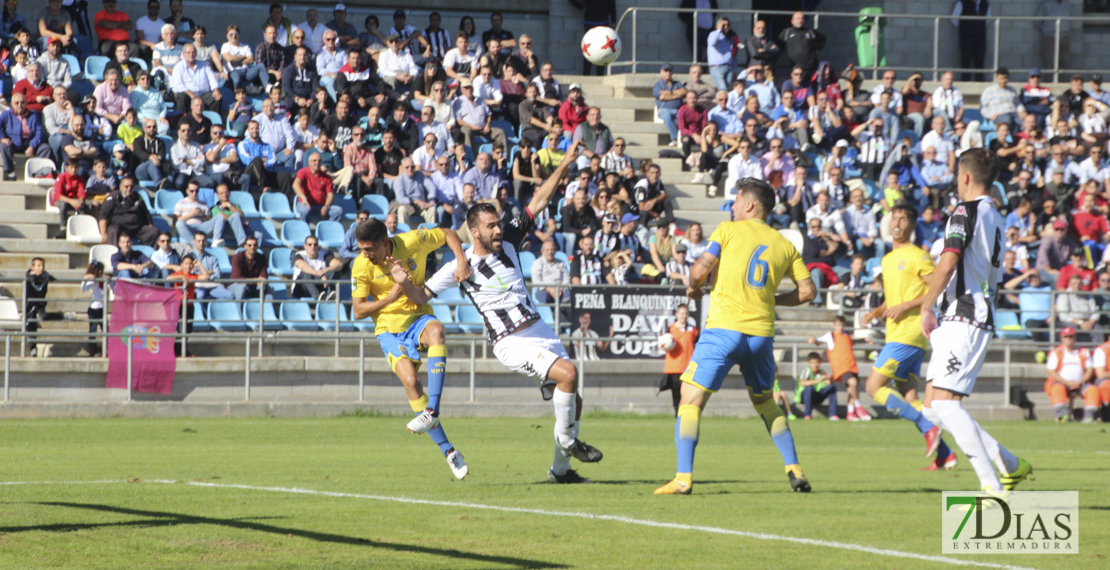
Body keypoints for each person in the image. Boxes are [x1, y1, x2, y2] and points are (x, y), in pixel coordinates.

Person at [394, 143, 603, 483]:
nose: (498, 229)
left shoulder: (509, 241)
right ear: (474, 231)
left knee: (573, 401)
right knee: (569, 373)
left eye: (498, 223)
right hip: (510, 341)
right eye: (490, 226)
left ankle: (560, 471)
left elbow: (537, 201)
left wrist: (565, 162)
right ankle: (568, 442)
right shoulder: (458, 267)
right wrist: (403, 283)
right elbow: (420, 295)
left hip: (540, 331)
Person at [655, 178, 816, 495]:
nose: (732, 207)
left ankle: (683, 478)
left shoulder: (727, 230)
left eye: (736, 201)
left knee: (690, 400)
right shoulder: (786, 245)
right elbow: (808, 291)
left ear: (750, 205)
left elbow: (700, 270)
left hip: (724, 330)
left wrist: (695, 286)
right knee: (767, 403)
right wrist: (772, 299)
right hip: (760, 336)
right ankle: (794, 469)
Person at [919, 148, 1033, 496]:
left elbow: (949, 261)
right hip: (971, 310)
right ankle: (1010, 464)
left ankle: (992, 487)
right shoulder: (996, 216)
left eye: (956, 175)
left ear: (965, 177)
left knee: (945, 404)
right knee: (932, 407)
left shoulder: (963, 211)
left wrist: (926, 306)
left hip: (965, 314)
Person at [350, 213, 471, 478]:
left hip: (418, 317)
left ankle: (432, 411)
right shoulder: (360, 266)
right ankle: (450, 452)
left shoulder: (413, 241)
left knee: (438, 330)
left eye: (369, 249)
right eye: (361, 249)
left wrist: (460, 261)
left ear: (385, 242)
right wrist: (392, 295)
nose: (365, 255)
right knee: (411, 381)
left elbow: (449, 233)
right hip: (389, 331)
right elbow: (358, 311)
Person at [809, 315, 872, 422]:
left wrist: (864, 340)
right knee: (853, 383)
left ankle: (850, 413)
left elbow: (853, 342)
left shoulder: (846, 336)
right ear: (834, 326)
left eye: (842, 325)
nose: (840, 327)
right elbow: (819, 340)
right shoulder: (831, 336)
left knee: (851, 390)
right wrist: (814, 340)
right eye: (838, 325)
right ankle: (859, 407)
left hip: (851, 365)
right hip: (841, 368)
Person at [1044, 327, 1099, 423]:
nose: (1068, 339)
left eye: (1071, 336)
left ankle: (1090, 417)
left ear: (1075, 338)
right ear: (1061, 338)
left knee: (1093, 390)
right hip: (1062, 382)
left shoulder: (1084, 352)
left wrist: (1081, 381)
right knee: (1057, 389)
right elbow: (1051, 371)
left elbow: (1090, 370)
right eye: (1066, 337)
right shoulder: (1056, 352)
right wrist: (1066, 382)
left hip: (1081, 383)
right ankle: (1063, 416)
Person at [659, 303, 699, 415]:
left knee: (688, 395)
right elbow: (664, 344)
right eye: (681, 313)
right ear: (677, 314)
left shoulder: (693, 330)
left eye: (686, 313)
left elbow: (698, 346)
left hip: (688, 368)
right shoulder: (670, 329)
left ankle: (687, 414)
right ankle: (678, 414)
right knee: (676, 394)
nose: (684, 316)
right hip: (674, 368)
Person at [0, 93, 50, 181]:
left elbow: (39, 133)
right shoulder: (6, 115)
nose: (20, 105)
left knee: (45, 148)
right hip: (14, 142)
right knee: (4, 146)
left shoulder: (33, 115)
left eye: (22, 103)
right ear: (12, 104)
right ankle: (9, 172)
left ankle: (39, 172)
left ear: (26, 104)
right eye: (17, 103)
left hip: (29, 142)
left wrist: (32, 146)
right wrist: (3, 138)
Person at [796, 352, 838, 420]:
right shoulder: (806, 371)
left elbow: (828, 383)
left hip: (817, 396)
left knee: (832, 387)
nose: (815, 365)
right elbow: (802, 383)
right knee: (809, 388)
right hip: (805, 397)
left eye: (817, 362)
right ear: (809, 363)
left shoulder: (822, 372)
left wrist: (830, 379)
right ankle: (807, 415)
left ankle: (833, 414)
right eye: (813, 363)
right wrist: (818, 380)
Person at [653, 64, 686, 147]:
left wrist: (669, 93)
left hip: (679, 109)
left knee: (683, 117)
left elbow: (684, 92)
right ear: (661, 72)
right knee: (667, 116)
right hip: (664, 109)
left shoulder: (677, 83)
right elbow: (662, 97)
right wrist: (677, 95)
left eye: (669, 71)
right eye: (665, 71)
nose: (668, 73)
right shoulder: (658, 85)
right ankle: (675, 138)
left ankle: (685, 138)